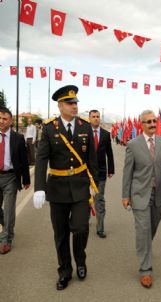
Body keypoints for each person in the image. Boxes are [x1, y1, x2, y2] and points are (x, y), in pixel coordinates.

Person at [33, 85, 99, 290]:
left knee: (80, 227)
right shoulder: (50, 127)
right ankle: (64, 270)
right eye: (70, 103)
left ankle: (80, 260)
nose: (74, 106)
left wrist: (93, 185)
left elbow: (92, 160)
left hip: (80, 187)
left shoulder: (85, 126)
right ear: (60, 106)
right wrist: (39, 188)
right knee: (60, 233)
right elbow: (42, 158)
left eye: (76, 103)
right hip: (57, 188)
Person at [122, 110, 161, 288]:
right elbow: (127, 172)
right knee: (143, 229)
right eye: (148, 122)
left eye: (154, 121)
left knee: (153, 225)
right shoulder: (133, 144)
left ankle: (145, 246)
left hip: (158, 193)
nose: (153, 124)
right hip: (139, 194)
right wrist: (125, 195)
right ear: (142, 125)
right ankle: (145, 270)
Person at [0, 107, 30, 255]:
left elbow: (24, 160)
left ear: (10, 121)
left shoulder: (18, 138)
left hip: (11, 177)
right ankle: (7, 226)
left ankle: (6, 240)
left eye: (4, 119)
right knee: (3, 214)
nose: (1, 121)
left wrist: (26, 179)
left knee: (9, 209)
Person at [89, 110, 115, 238]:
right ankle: (85, 220)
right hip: (85, 173)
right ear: (89, 118)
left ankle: (100, 228)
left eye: (97, 117)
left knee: (99, 199)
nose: (95, 119)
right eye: (93, 117)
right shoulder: (84, 133)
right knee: (86, 198)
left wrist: (111, 169)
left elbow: (109, 154)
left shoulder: (105, 134)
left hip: (101, 173)